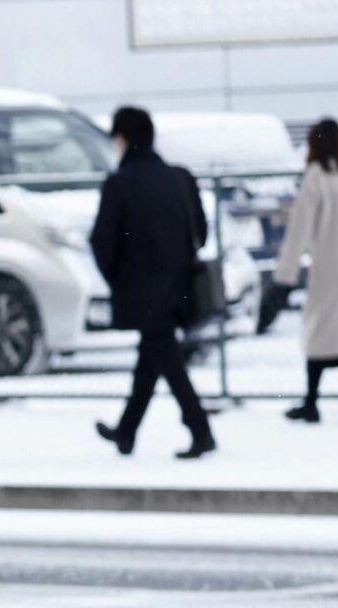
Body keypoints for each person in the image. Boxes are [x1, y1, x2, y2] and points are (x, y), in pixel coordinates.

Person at [89, 106, 217, 459]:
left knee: (168, 361)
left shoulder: (119, 184)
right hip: (183, 286)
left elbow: (102, 242)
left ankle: (200, 429)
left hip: (142, 291)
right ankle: (126, 431)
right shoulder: (180, 177)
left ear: (122, 138)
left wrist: (119, 279)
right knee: (152, 357)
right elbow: (201, 233)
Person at [273, 119, 338, 424]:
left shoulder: (316, 176)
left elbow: (299, 230)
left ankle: (311, 402)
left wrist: (285, 275)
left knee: (320, 333)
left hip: (329, 267)